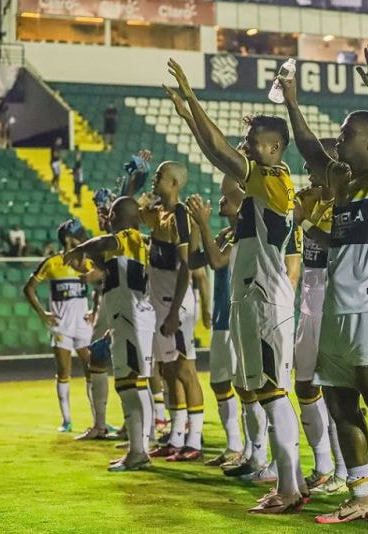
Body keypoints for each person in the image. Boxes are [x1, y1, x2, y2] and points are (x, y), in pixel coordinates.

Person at [280, 44, 368, 524]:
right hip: (336, 310)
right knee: (341, 405)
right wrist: (292, 101)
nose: (337, 144)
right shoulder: (340, 186)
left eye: (346, 137)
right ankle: (362, 496)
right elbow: (306, 148)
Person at [166, 59, 303, 513]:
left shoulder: (274, 180)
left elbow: (221, 153)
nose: (245, 150)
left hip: (266, 300)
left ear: (274, 148)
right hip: (253, 298)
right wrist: (190, 116)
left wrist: (193, 100)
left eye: (252, 144)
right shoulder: (260, 189)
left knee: (272, 392)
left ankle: (289, 487)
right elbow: (219, 152)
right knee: (263, 393)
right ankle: (284, 477)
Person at [64, 197, 155, 471]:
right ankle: (139, 448)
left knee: (128, 383)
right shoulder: (134, 245)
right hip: (131, 317)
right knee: (135, 382)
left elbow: (104, 243)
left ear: (116, 215)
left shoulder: (126, 236)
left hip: (128, 316)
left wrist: (79, 247)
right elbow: (104, 256)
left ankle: (138, 452)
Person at [186, 190, 271, 482]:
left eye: (226, 197)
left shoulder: (248, 233)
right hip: (225, 314)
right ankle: (238, 445)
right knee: (224, 381)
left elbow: (219, 262)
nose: (220, 200)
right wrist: (197, 228)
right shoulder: (225, 233)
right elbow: (195, 260)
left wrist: (203, 223)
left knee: (246, 385)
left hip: (242, 313)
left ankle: (254, 450)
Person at [138, 161, 206, 464]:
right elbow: (127, 215)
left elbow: (186, 269)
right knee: (167, 371)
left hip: (173, 306)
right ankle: (176, 437)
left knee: (184, 370)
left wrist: (174, 312)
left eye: (159, 176)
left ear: (174, 183)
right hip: (161, 303)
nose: (155, 180)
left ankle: (194, 439)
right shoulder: (160, 215)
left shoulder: (179, 217)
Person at [291, 141, 348, 494]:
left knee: (336, 392)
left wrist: (306, 222)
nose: (308, 170)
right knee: (305, 385)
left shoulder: (346, 201)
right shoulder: (308, 197)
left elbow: (335, 243)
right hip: (309, 300)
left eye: (314, 163)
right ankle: (324, 467)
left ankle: (344, 473)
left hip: (334, 299)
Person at [23, 219, 103, 434]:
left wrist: (95, 310)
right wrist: (43, 314)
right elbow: (29, 288)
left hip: (83, 325)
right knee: (64, 372)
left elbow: (99, 285)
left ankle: (99, 420)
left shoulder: (85, 263)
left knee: (92, 372)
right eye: (78, 235)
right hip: (62, 327)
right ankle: (67, 420)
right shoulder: (52, 263)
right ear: (69, 239)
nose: (82, 239)